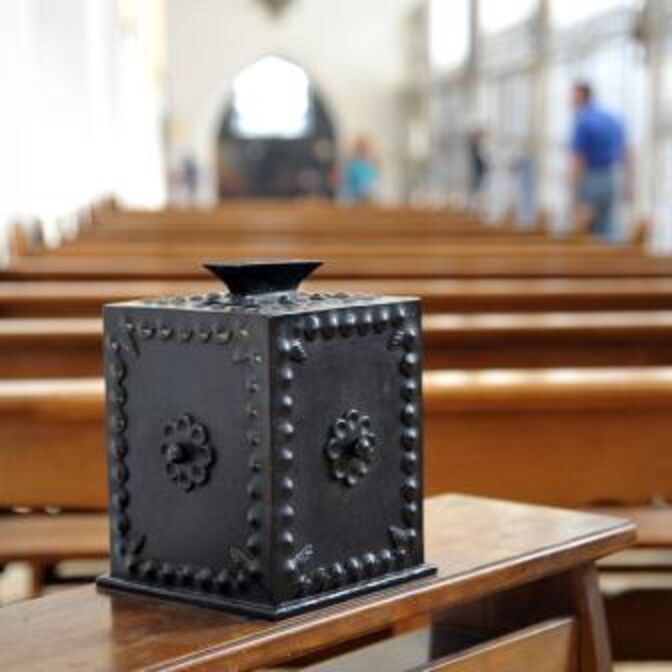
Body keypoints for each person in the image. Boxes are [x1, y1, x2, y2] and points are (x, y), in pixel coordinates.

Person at [569, 82, 631, 239]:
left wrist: (574, 187)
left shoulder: (583, 121)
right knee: (607, 227)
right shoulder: (613, 118)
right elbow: (626, 151)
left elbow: (579, 157)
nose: (570, 100)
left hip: (591, 176)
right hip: (612, 176)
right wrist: (630, 182)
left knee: (584, 227)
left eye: (573, 96)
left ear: (582, 97)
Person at [342, 136, 379, 202]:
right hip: (354, 199)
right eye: (361, 147)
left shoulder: (371, 165)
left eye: (365, 147)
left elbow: (374, 182)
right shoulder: (352, 165)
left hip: (370, 198)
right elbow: (348, 184)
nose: (363, 150)